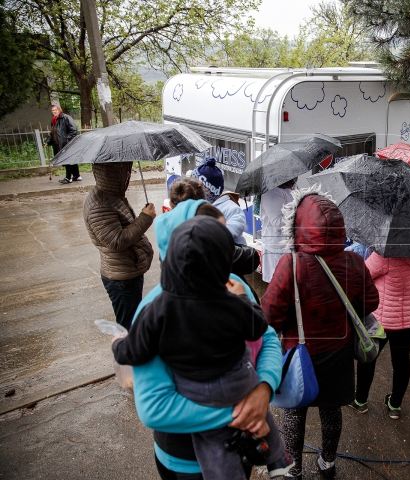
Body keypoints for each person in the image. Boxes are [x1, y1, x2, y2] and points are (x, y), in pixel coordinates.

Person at [112, 216, 292, 479]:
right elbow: (259, 328)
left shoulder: (157, 311)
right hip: (239, 387)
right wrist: (245, 301)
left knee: (217, 453)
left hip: (200, 395)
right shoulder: (232, 298)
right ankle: (279, 460)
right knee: (262, 421)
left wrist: (118, 344)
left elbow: (134, 350)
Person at [262, 185, 379, 479]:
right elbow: (371, 302)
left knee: (294, 414)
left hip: (299, 354)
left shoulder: (291, 264)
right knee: (331, 410)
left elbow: (270, 316)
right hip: (339, 351)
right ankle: (328, 462)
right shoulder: (354, 261)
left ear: (298, 226)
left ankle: (293, 469)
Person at [351, 250, 410, 420]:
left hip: (382, 318)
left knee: (369, 356)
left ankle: (360, 400)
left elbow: (363, 275)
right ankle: (395, 404)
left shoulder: (386, 255)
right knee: (401, 359)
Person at [84, 162, 155, 330]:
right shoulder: (99, 206)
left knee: (134, 322)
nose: (129, 175)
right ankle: (128, 355)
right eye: (124, 172)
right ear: (111, 174)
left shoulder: (111, 196)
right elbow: (117, 241)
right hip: (122, 280)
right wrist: (145, 218)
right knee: (128, 328)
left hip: (127, 271)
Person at [260, 178, 296, 283]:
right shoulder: (271, 192)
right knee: (277, 284)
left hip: (290, 245)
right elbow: (278, 223)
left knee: (289, 284)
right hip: (276, 247)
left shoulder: (293, 186)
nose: (294, 182)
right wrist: (299, 212)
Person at [44, 103, 79, 184]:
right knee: (69, 160)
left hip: (66, 143)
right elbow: (53, 133)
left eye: (56, 110)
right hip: (58, 144)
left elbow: (73, 130)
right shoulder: (54, 120)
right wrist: (48, 141)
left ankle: (68, 178)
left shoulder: (65, 117)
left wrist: (67, 140)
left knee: (67, 160)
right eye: (53, 110)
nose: (54, 111)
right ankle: (77, 176)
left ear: (59, 110)